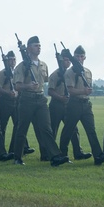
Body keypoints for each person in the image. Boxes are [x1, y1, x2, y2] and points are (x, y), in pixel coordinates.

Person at [9, 36, 69, 167]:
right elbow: (17, 86)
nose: (39, 47)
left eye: (39, 45)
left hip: (41, 99)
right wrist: (28, 86)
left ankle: (54, 156)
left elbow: (45, 81)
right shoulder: (22, 66)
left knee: (46, 128)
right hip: (26, 99)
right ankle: (17, 157)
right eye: (36, 45)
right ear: (29, 47)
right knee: (22, 128)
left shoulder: (43, 65)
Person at [58, 46, 104, 165]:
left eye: (81, 56)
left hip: (86, 104)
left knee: (91, 130)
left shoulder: (87, 72)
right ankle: (62, 154)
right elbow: (70, 90)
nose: (79, 58)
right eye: (77, 56)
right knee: (68, 130)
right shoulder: (69, 72)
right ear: (73, 58)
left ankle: (98, 155)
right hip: (74, 104)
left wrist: (86, 93)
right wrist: (83, 91)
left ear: (85, 57)